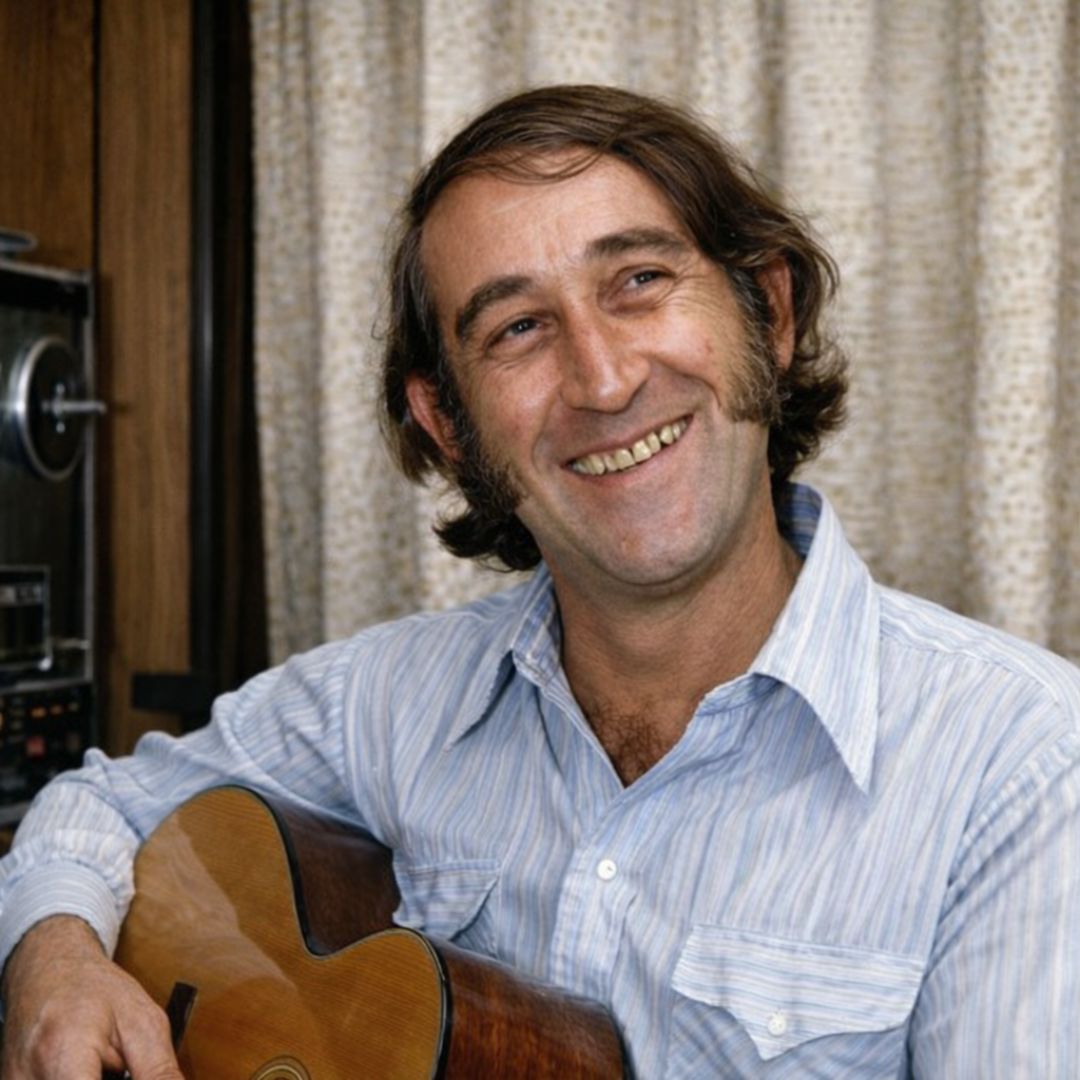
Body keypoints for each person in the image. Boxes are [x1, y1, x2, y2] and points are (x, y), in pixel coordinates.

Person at [1, 83, 1078, 1079]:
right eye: (518, 328)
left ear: (770, 313)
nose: (603, 380)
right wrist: (53, 958)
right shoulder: (387, 705)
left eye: (639, 282)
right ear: (447, 423)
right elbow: (97, 807)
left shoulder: (1025, 769)